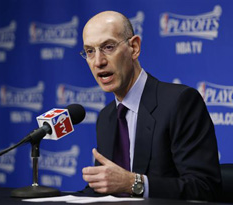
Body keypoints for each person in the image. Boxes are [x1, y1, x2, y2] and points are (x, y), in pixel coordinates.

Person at [80, 10, 222, 201]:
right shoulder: (106, 117)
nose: (98, 61)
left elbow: (205, 188)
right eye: (90, 51)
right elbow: (107, 189)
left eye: (108, 47)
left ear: (134, 47)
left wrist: (133, 183)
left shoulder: (180, 102)